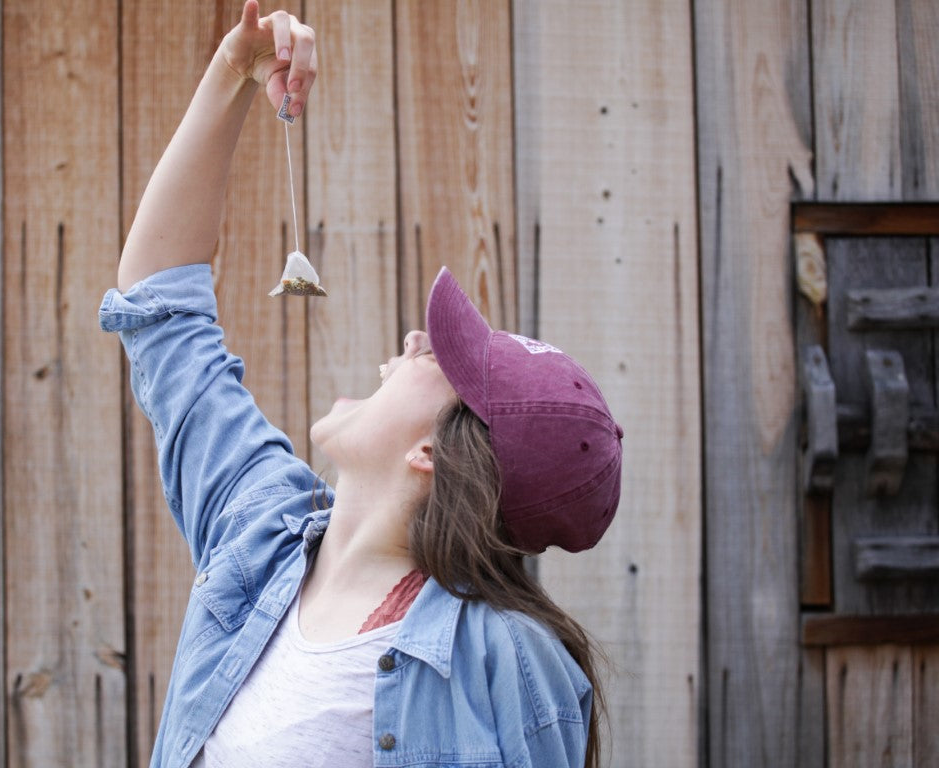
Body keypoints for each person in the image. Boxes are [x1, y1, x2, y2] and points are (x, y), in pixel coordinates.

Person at [100, 3, 623, 767]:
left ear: (432, 453)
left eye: (434, 358)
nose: (409, 342)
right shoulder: (260, 536)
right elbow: (159, 305)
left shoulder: (507, 665)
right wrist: (232, 75)